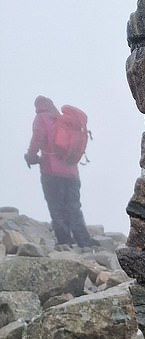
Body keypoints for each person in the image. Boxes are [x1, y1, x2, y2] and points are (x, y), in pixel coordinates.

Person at [24, 95, 97, 248]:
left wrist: (31, 157)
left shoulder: (41, 118)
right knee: (74, 206)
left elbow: (37, 140)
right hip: (72, 173)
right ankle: (84, 242)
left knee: (56, 206)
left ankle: (65, 242)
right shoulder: (61, 119)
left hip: (51, 172)